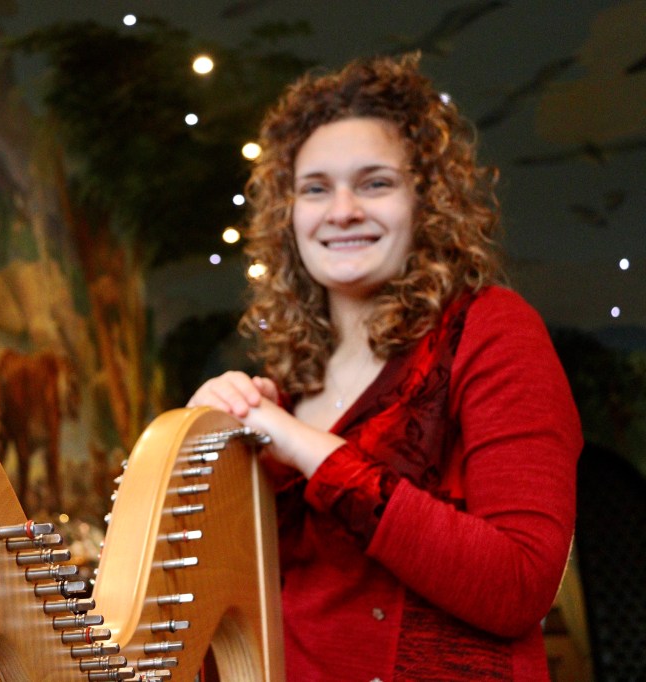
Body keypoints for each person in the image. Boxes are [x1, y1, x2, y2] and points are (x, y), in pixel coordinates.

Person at [188, 53, 581, 680]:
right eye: (315, 188)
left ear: (427, 202)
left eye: (374, 183)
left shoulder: (491, 329)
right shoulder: (286, 386)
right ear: (288, 218)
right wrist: (205, 443)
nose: (341, 210)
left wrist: (305, 446)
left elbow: (520, 585)